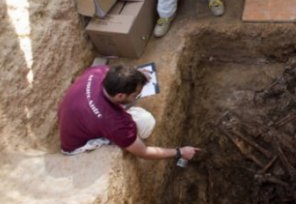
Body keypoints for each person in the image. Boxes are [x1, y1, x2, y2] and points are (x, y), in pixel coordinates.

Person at [58, 64, 199, 162]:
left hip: (72, 118)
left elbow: (76, 80)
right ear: (120, 96)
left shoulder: (98, 73)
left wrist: (137, 77)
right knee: (145, 121)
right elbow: (143, 152)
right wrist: (180, 152)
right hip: (76, 146)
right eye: (135, 95)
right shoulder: (116, 123)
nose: (137, 97)